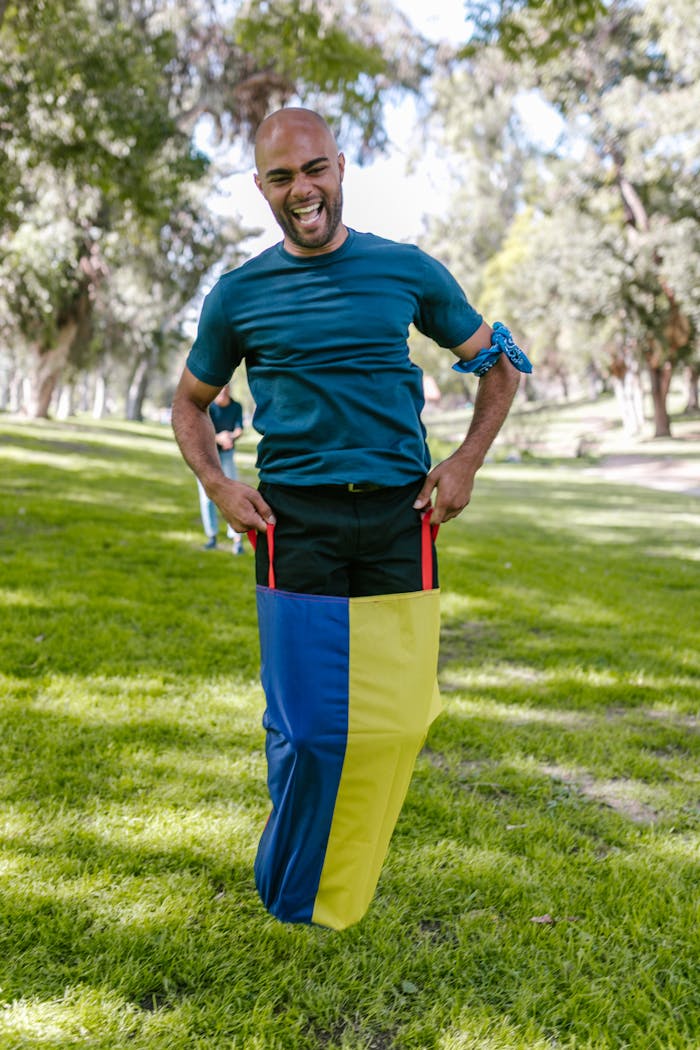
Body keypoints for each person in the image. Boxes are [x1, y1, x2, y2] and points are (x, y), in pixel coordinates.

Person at [171, 107, 531, 927]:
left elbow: (499, 365)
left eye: (313, 170)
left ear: (340, 166)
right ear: (260, 187)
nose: (302, 190)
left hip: (402, 519)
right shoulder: (239, 293)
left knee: (401, 716)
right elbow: (190, 406)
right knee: (303, 727)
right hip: (291, 521)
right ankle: (298, 885)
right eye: (280, 177)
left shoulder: (403, 270)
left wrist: (465, 460)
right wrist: (223, 488)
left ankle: (324, 865)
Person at [196, 385, 245, 554]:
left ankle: (237, 539)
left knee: (231, 494)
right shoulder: (208, 407)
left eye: (227, 389)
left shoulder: (236, 406)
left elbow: (239, 429)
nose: (224, 393)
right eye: (221, 390)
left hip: (226, 455)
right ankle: (212, 536)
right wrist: (219, 437)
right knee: (206, 496)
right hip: (207, 455)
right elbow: (202, 431)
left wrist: (230, 436)